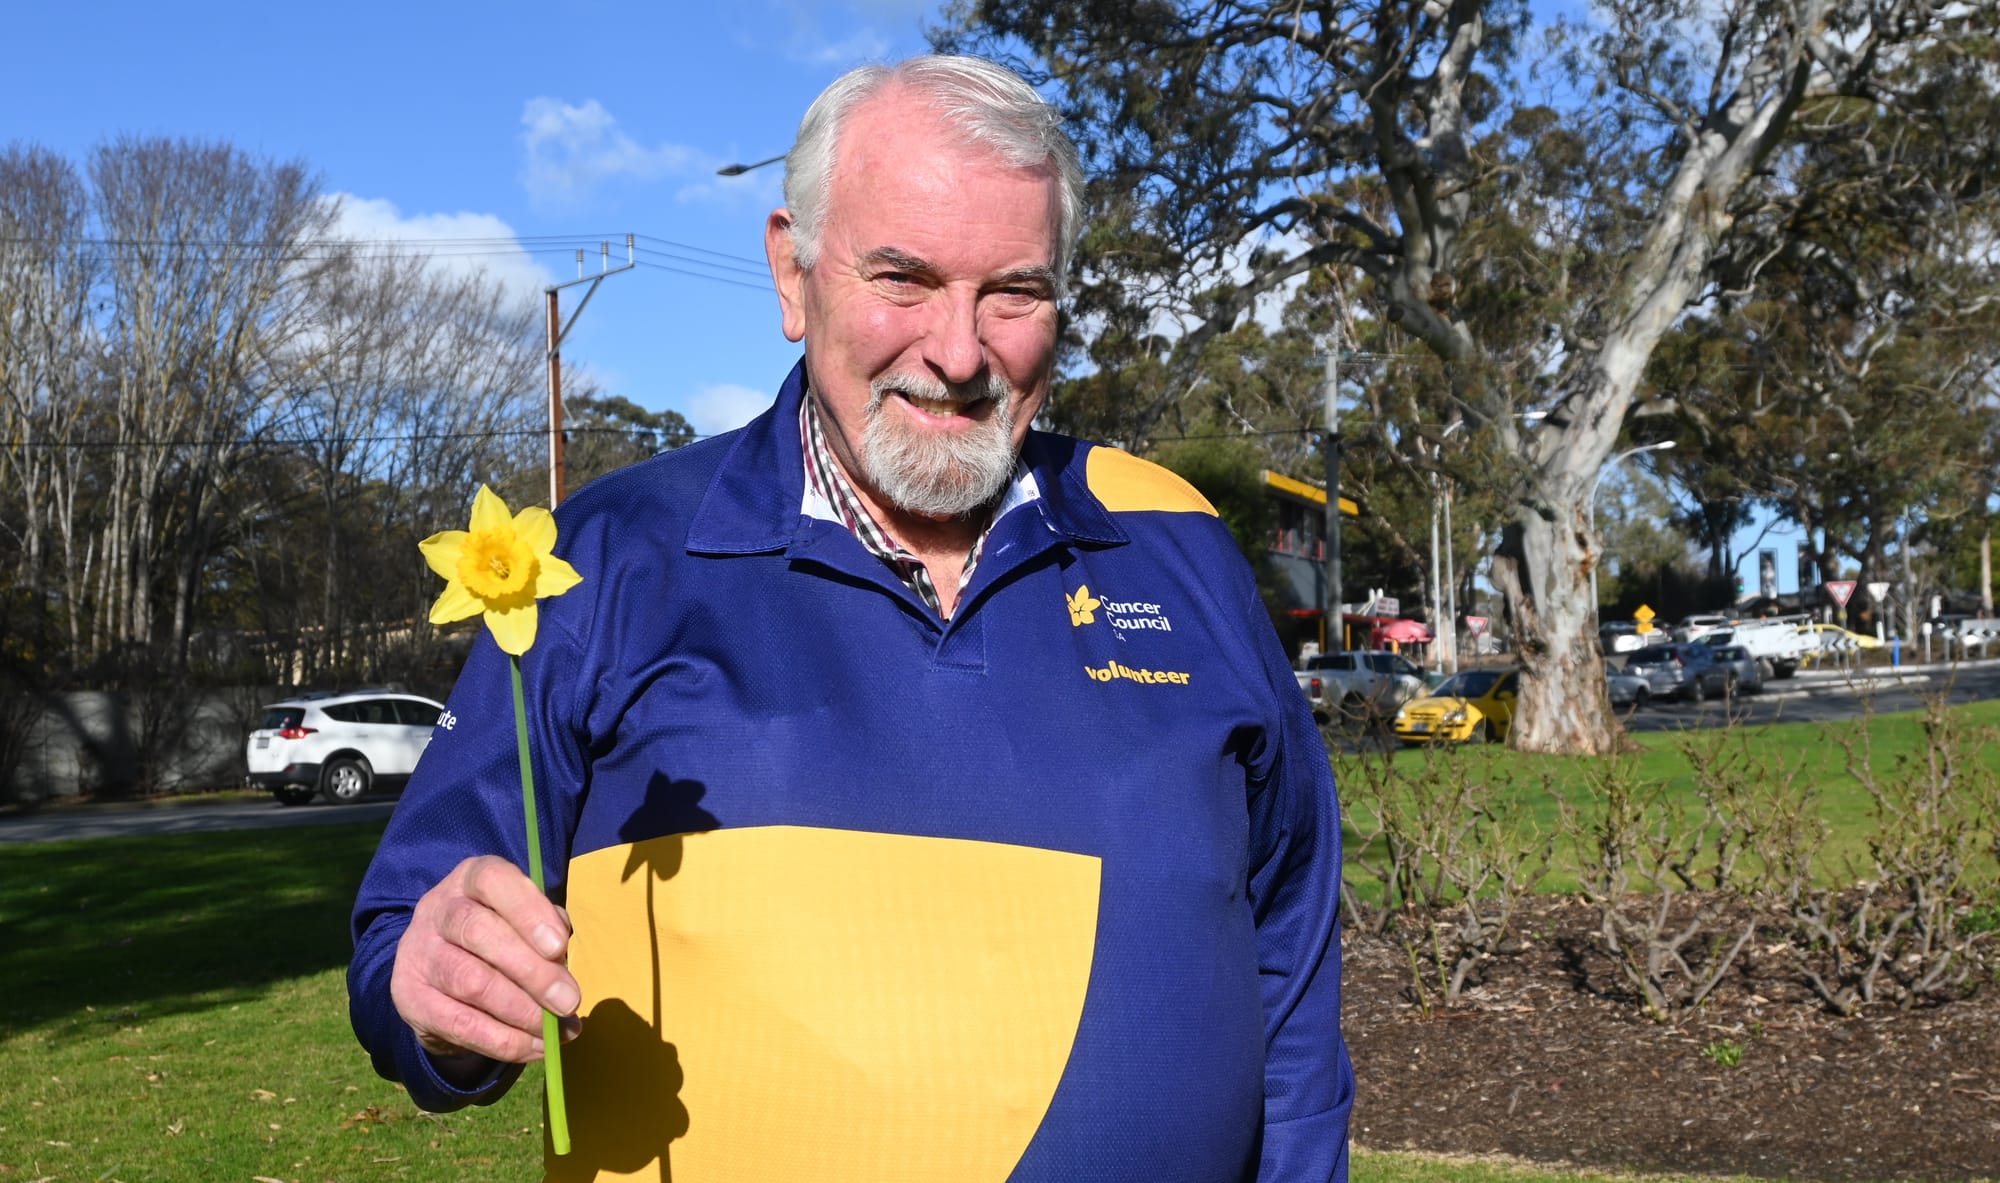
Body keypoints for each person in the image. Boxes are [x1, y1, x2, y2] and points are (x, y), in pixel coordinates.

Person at [349, 53, 1354, 1181]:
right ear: (794, 272)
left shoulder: (1178, 544)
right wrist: (431, 990)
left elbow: (1290, 969)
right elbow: (405, 934)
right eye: (905, 279)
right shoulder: (602, 562)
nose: (960, 352)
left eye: (1012, 291)